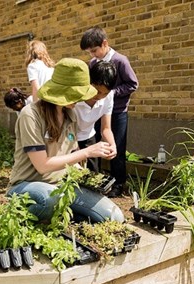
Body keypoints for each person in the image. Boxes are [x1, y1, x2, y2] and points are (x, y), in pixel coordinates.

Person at [7, 57, 124, 224]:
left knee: (113, 217)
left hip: (61, 185)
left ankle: (60, 218)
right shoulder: (30, 115)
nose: (82, 99)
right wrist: (88, 151)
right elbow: (42, 165)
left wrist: (88, 177)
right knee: (50, 200)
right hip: (29, 185)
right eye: (77, 95)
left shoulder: (70, 115)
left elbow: (70, 156)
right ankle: (23, 216)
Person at [80, 26, 139, 197]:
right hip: (96, 111)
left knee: (117, 148)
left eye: (94, 50)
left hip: (117, 111)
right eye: (89, 52)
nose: (92, 55)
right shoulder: (92, 64)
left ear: (104, 43)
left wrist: (110, 93)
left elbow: (132, 84)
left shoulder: (120, 60)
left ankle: (119, 183)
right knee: (95, 143)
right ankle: (96, 179)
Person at [75, 61, 117, 173]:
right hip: (68, 138)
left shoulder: (108, 97)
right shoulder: (76, 97)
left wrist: (112, 145)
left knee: (93, 175)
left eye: (105, 93)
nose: (100, 96)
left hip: (89, 138)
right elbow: (66, 130)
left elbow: (106, 128)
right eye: (97, 91)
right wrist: (76, 151)